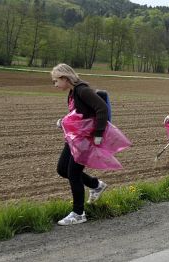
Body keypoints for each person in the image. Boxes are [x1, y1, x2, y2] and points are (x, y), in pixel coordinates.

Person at [52, 63, 108, 225]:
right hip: (74, 138)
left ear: (65, 78)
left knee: (74, 173)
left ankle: (78, 213)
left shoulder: (83, 90)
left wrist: (98, 134)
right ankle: (96, 185)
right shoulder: (72, 93)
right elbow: (78, 115)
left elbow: (102, 108)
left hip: (86, 140)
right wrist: (63, 121)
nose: (55, 84)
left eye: (56, 81)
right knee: (62, 169)